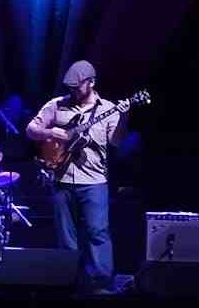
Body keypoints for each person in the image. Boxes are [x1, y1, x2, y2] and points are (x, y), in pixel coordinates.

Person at [25, 60, 129, 295]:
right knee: (66, 235)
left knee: (97, 232)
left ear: (91, 83)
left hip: (94, 182)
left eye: (77, 87)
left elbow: (116, 142)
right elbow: (31, 130)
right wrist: (50, 131)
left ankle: (101, 283)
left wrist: (124, 118)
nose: (72, 91)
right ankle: (70, 279)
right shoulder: (56, 105)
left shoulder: (107, 109)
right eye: (70, 87)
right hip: (61, 179)